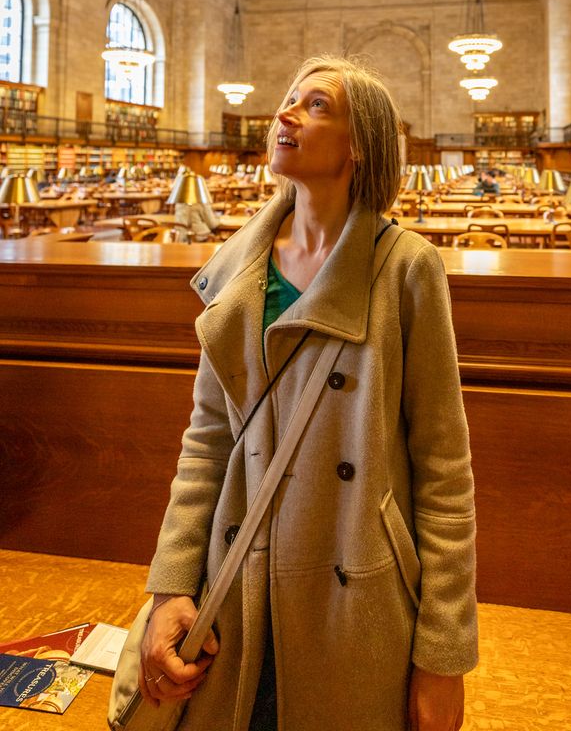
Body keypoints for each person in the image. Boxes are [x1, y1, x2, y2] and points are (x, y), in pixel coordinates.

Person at [137, 56, 478, 731]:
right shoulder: (238, 265)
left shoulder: (406, 267)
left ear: (361, 146)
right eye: (287, 100)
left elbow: (445, 471)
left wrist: (444, 654)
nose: (284, 114)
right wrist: (171, 583)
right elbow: (206, 442)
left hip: (354, 591)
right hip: (235, 584)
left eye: (315, 105)